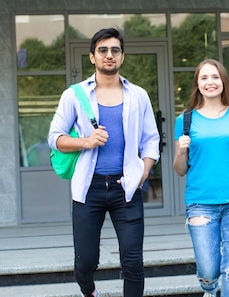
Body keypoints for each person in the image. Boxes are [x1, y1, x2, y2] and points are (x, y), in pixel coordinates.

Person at [48, 27, 160, 297]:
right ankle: (89, 290)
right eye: (103, 50)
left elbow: (151, 141)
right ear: (92, 57)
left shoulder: (139, 96)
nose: (109, 55)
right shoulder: (74, 95)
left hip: (126, 187)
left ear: (122, 57)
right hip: (89, 188)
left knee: (133, 262)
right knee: (85, 262)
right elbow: (55, 138)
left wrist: (142, 174)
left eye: (115, 50)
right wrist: (86, 141)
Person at [173, 59, 229, 297]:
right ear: (197, 84)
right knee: (209, 270)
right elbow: (179, 169)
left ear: (223, 81)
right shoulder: (185, 121)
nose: (210, 82)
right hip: (201, 202)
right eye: (204, 78)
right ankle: (209, 290)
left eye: (215, 77)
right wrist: (181, 151)